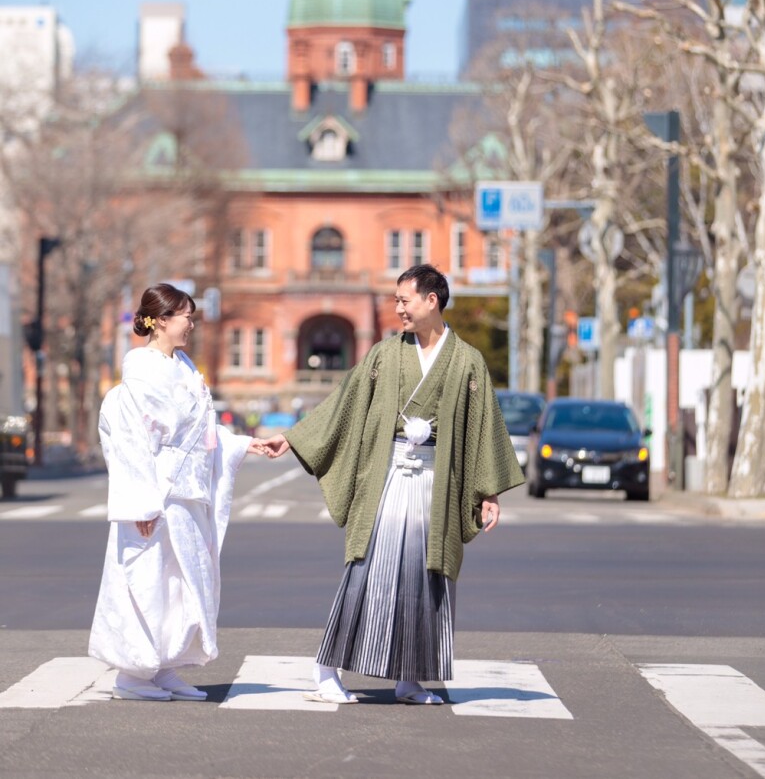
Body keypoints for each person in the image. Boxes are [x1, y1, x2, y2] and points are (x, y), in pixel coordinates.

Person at [263, 264, 524, 705]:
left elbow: (483, 428)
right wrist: (292, 439)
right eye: (396, 300)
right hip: (387, 476)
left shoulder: (468, 361)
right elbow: (345, 401)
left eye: (404, 300)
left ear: (431, 301)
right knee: (369, 570)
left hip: (436, 483)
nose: (398, 308)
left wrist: (488, 491)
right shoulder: (386, 353)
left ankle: (411, 678)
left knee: (428, 576)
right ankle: (327, 669)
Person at [89, 282, 267, 701]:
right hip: (156, 493)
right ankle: (133, 674)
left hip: (186, 495)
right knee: (149, 579)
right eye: (186, 315)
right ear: (161, 320)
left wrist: (243, 443)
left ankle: (164, 666)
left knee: (183, 582)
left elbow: (200, 433)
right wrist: (142, 503)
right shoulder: (141, 373)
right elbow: (131, 443)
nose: (192, 322)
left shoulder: (184, 366)